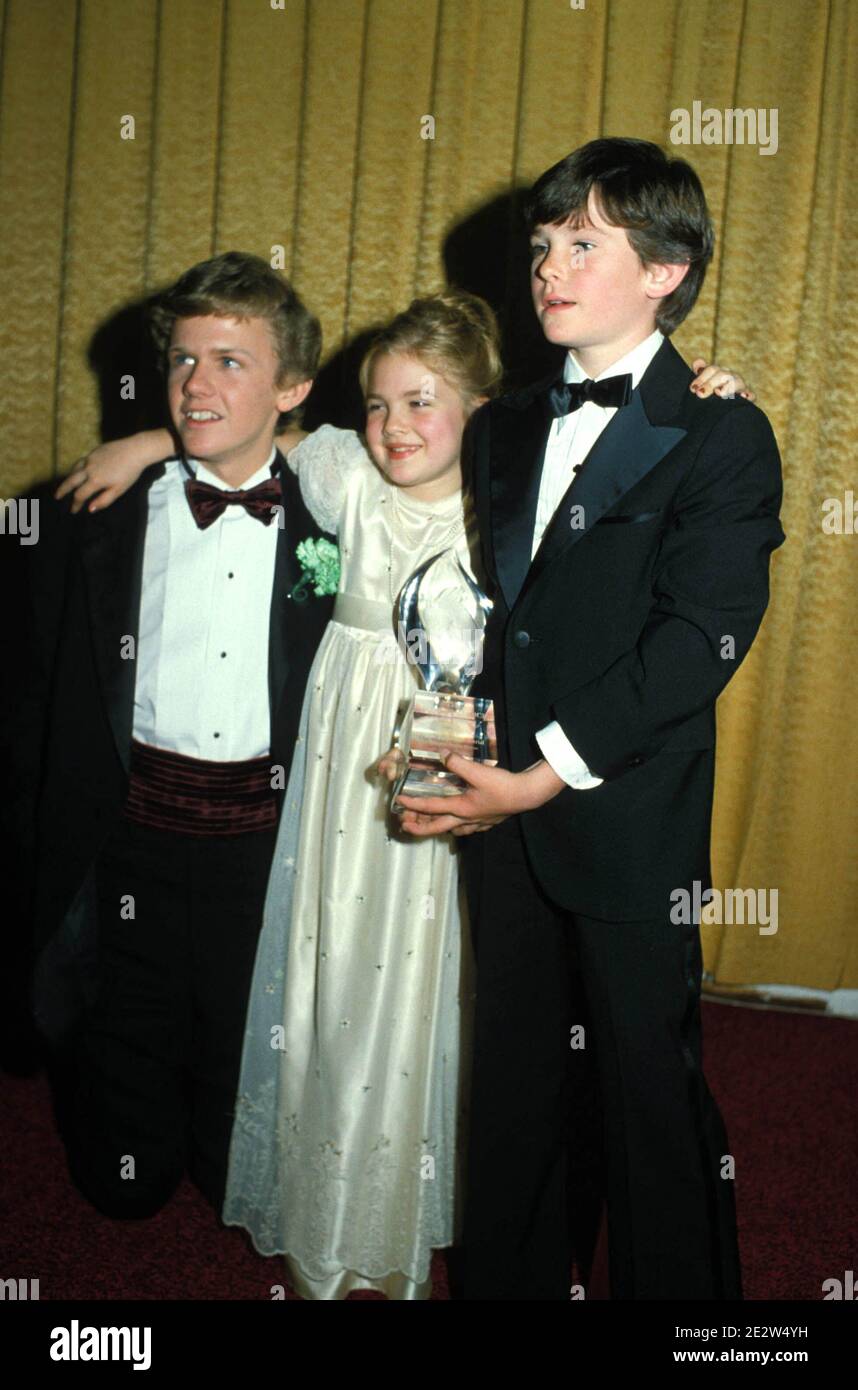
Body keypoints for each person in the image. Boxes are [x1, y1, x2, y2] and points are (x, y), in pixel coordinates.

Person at [61, 291, 749, 1302]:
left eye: (423, 403)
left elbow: (628, 465)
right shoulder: (340, 472)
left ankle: (416, 1203)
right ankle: (323, 1197)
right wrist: (144, 443)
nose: (394, 427)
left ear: (484, 415)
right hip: (338, 786)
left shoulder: (509, 498)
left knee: (438, 994)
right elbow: (249, 430)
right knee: (326, 981)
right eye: (379, 404)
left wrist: (712, 391)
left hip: (451, 771)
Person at [396, 138, 785, 1301]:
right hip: (505, 816)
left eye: (583, 243)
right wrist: (469, 758)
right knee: (511, 1082)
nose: (549, 267)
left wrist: (546, 770)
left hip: (627, 819)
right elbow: (501, 615)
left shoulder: (722, 430)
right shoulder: (509, 422)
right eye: (542, 245)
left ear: (666, 268)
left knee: (646, 1093)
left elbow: (695, 643)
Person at [14, 251, 333, 1219]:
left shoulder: (338, 507)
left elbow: (455, 432)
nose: (199, 384)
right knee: (123, 1036)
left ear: (294, 387)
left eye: (232, 361)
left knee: (245, 1021)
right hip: (132, 826)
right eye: (184, 361)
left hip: (266, 837)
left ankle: (225, 1151)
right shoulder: (97, 514)